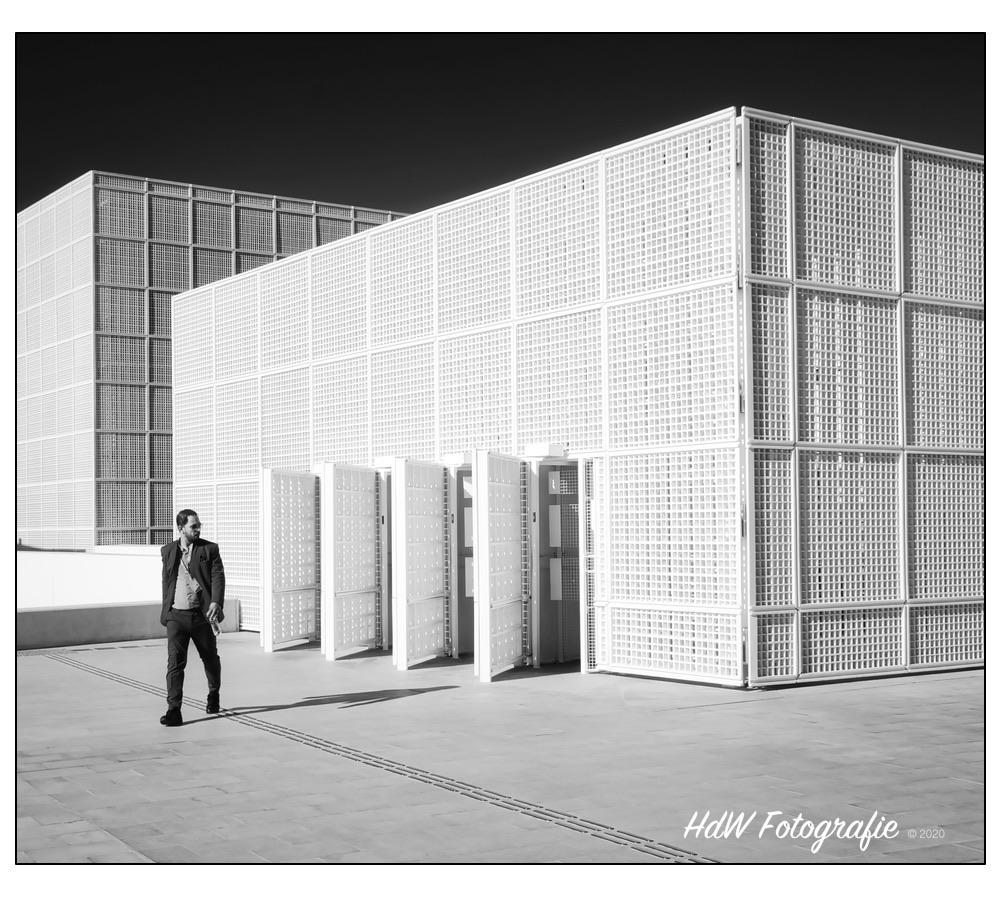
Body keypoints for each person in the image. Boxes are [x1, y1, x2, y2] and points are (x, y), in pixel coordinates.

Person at [159, 509, 225, 726]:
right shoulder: (168, 551)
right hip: (176, 616)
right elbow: (167, 581)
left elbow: (217, 576)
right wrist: (167, 610)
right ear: (181, 528)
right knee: (175, 664)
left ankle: (213, 694)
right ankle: (174, 710)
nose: (198, 529)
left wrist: (216, 601)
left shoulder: (209, 549)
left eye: (199, 525)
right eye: (193, 526)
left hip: (202, 616)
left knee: (210, 660)